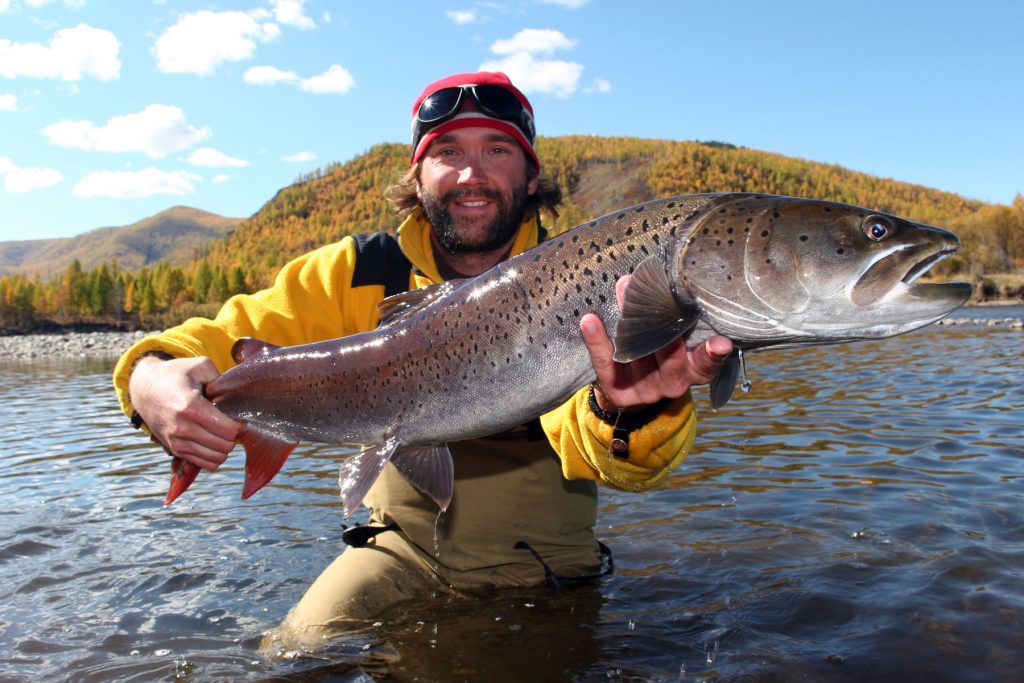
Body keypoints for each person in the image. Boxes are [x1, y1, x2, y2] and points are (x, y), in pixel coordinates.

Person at [113, 71, 733, 648]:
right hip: (395, 552)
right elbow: (223, 338)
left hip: (549, 567)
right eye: (449, 152)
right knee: (289, 657)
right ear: (417, 175)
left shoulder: (593, 276)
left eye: (497, 149)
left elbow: (621, 466)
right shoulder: (355, 271)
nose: (472, 174)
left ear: (530, 173)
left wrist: (628, 409)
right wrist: (149, 375)